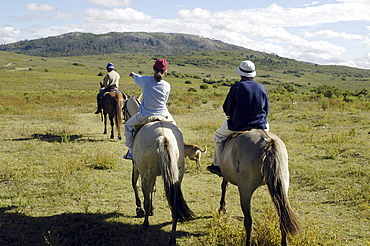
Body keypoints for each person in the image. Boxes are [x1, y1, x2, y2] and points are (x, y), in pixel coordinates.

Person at [207, 60, 270, 176]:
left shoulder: (236, 87)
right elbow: (266, 110)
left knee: (218, 136)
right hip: (261, 124)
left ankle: (219, 166)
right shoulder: (261, 87)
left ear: (240, 73)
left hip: (238, 124)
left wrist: (231, 115)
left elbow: (228, 108)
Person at [123, 59, 176, 159]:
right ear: (165, 72)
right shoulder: (167, 86)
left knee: (128, 125)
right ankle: (179, 147)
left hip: (145, 115)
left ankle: (130, 151)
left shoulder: (145, 80)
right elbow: (165, 101)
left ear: (153, 69)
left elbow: (137, 77)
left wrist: (133, 74)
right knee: (176, 129)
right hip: (163, 114)